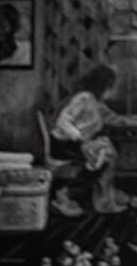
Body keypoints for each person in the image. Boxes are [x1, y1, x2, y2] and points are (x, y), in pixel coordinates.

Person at [49, 65, 121, 218]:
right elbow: (62, 121)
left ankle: (104, 197)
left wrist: (125, 120)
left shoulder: (96, 102)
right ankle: (66, 194)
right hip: (63, 143)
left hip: (76, 142)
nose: (111, 91)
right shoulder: (83, 98)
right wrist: (80, 137)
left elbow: (109, 116)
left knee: (109, 150)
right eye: (110, 87)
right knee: (103, 154)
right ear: (102, 86)